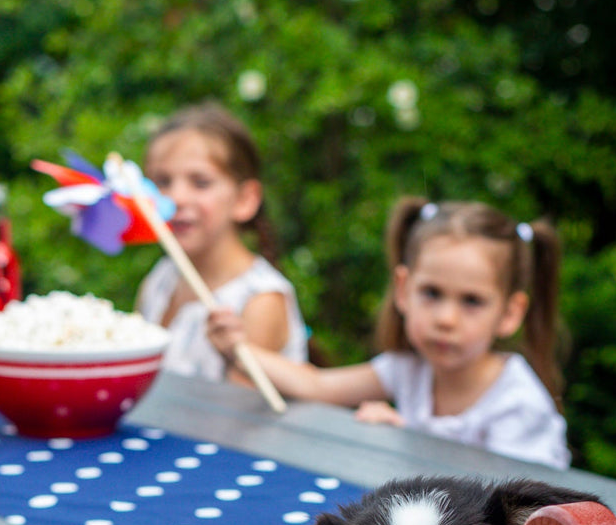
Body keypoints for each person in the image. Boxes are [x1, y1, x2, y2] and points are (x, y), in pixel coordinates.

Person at [208, 196, 570, 469]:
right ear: (403, 290)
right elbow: (318, 386)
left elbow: (517, 514)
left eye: (472, 301)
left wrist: (405, 442)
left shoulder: (516, 403)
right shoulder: (408, 369)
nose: (446, 318)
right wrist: (239, 347)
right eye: (432, 293)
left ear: (509, 313)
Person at [136, 102, 307, 382]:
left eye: (200, 182)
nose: (175, 198)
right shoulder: (160, 279)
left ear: (244, 199)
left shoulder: (260, 300)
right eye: (162, 181)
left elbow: (234, 416)